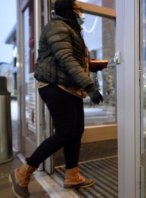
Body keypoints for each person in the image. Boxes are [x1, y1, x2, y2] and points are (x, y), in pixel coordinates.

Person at [9, 0, 103, 197]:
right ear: (69, 10)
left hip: (69, 86)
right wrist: (89, 85)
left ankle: (72, 175)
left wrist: (91, 66)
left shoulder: (69, 28)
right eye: (78, 10)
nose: (81, 14)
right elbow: (66, 59)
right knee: (65, 131)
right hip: (55, 86)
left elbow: (70, 59)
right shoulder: (57, 27)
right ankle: (22, 173)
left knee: (76, 130)